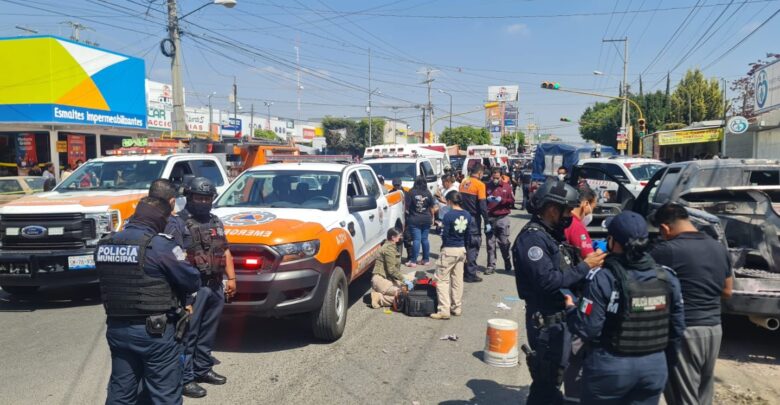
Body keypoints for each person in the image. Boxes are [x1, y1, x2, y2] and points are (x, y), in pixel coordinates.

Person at [565, 211, 686, 404]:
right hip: (653, 369)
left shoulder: (603, 278)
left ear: (613, 241)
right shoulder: (668, 278)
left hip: (610, 368)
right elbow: (677, 330)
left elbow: (587, 328)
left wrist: (571, 310)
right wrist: (666, 365)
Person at [96, 196, 201, 404]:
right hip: (155, 333)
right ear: (160, 219)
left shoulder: (105, 244)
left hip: (117, 329)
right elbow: (192, 280)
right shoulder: (161, 245)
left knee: (121, 392)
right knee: (165, 394)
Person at [512, 179, 606, 405]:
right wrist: (586, 266)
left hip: (559, 318)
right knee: (547, 381)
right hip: (545, 321)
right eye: (566, 210)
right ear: (552, 210)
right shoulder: (532, 239)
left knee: (551, 379)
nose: (569, 215)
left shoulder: (551, 234)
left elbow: (565, 267)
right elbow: (548, 281)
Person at [650, 203, 733, 405]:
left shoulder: (666, 250)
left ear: (665, 228)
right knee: (703, 395)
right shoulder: (719, 247)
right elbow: (727, 291)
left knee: (683, 397)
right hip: (714, 329)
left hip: (685, 330)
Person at [168, 177, 236, 399]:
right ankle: (186, 379)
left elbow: (225, 251)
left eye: (207, 198)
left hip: (215, 284)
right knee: (188, 334)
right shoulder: (178, 223)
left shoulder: (215, 221)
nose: (203, 202)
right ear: (189, 197)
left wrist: (232, 279)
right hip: (193, 288)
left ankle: (203, 368)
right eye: (199, 197)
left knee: (208, 332)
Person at [431, 191, 472, 320]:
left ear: (449, 201)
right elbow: (468, 235)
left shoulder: (448, 216)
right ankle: (456, 307)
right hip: (461, 249)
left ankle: (444, 310)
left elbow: (444, 234)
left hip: (449, 249)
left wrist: (439, 229)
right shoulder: (467, 215)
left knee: (441, 279)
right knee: (457, 280)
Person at [459, 163, 490, 283]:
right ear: (480, 173)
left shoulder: (463, 182)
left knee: (463, 244)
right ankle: (471, 274)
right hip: (473, 219)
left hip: (462, 217)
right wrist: (487, 221)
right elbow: (482, 205)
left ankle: (462, 271)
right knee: (473, 244)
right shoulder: (480, 185)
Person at [370, 228, 410, 308]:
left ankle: (380, 296)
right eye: (399, 236)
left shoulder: (391, 246)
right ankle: (379, 298)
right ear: (393, 237)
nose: (400, 238)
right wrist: (404, 280)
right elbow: (391, 270)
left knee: (407, 289)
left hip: (388, 279)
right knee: (403, 294)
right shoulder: (389, 249)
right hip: (380, 280)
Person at [485, 167, 515, 275]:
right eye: (494, 176)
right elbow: (482, 201)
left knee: (504, 243)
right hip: (490, 218)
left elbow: (512, 201)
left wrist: (502, 200)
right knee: (490, 244)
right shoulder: (487, 186)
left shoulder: (507, 187)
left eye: (497, 177)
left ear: (501, 176)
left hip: (502, 218)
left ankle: (507, 261)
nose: (495, 179)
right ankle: (490, 266)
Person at [405, 175, 436, 267]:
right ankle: (426, 260)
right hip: (427, 218)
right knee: (425, 239)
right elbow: (432, 207)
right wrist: (433, 218)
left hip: (414, 219)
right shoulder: (428, 192)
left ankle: (413, 261)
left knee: (416, 240)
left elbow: (406, 206)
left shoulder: (411, 192)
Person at [564, 187, 597, 260]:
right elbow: (590, 258)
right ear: (586, 204)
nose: (591, 212)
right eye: (593, 208)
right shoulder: (576, 226)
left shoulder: (564, 220)